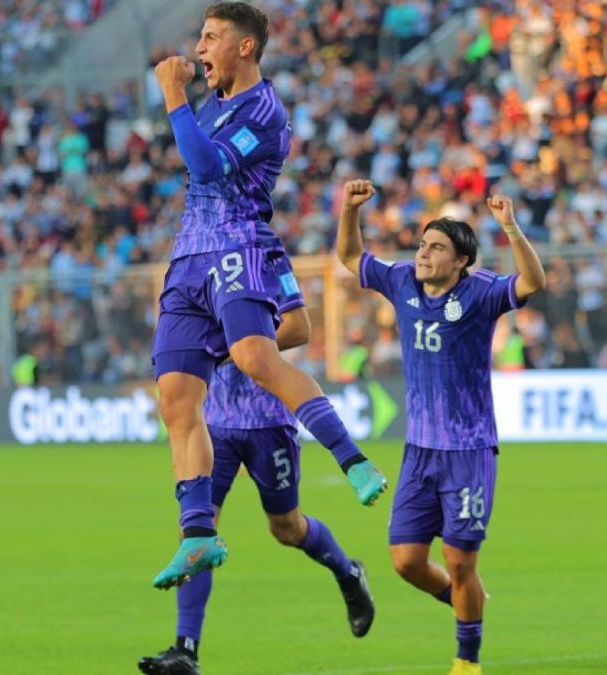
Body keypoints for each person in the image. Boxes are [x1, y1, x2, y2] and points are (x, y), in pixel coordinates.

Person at [150, 2, 387, 590]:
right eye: (199, 38)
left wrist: (172, 97)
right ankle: (198, 533)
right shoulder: (214, 104)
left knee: (257, 358)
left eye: (211, 38)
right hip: (187, 258)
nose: (199, 48)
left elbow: (206, 168)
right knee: (176, 398)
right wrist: (187, 101)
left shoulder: (264, 109)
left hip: (236, 248)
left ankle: (352, 459)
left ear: (245, 47)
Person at [335, 180, 546, 675]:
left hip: (468, 451)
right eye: (423, 244)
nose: (423, 253)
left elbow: (532, 282)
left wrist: (511, 227)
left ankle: (466, 659)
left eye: (436, 248)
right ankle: (467, 602)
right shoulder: (403, 281)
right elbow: (350, 256)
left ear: (460, 262)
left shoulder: (482, 293)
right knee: (406, 561)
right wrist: (349, 210)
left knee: (459, 562)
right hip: (418, 452)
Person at [139, 262, 375, 675]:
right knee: (196, 532)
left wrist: (239, 346)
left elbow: (299, 328)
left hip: (269, 422)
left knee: (286, 528)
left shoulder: (264, 261)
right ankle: (185, 649)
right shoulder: (199, 263)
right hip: (216, 425)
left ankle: (348, 572)